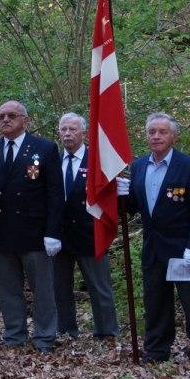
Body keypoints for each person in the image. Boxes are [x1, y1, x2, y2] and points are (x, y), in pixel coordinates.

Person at [120, 112, 190, 366]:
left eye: (162, 132)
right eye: (152, 132)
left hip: (181, 246)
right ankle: (157, 350)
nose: (157, 136)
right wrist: (122, 194)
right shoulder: (139, 166)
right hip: (152, 247)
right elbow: (135, 208)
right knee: (156, 301)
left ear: (173, 136)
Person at [0, 100, 63, 353]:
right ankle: (14, 335)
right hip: (1, 230)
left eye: (11, 115)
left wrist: (53, 233)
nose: (5, 120)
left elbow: (55, 194)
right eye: (1, 116)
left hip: (35, 232)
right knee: (8, 290)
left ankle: (44, 337)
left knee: (42, 290)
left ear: (25, 120)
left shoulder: (44, 148)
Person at [53, 112, 120, 339]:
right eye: (64, 129)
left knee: (99, 287)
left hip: (90, 233)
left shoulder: (97, 161)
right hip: (59, 235)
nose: (67, 134)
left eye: (72, 129)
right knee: (59, 288)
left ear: (83, 132)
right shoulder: (52, 160)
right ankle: (65, 329)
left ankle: (107, 332)